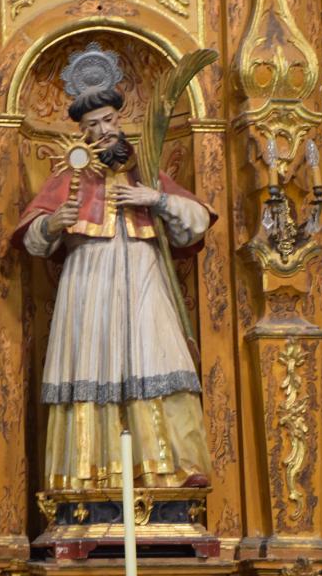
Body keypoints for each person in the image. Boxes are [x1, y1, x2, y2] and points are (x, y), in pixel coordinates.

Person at [13, 44, 217, 493]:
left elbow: (196, 222)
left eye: (107, 120)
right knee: (91, 364)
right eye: (92, 125)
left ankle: (169, 469)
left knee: (159, 356)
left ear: (119, 120)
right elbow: (31, 239)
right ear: (81, 133)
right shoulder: (69, 179)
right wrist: (54, 223)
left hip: (143, 277)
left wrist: (155, 199)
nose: (102, 131)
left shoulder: (146, 170)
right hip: (89, 283)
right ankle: (87, 478)